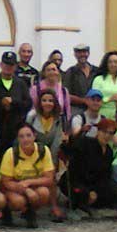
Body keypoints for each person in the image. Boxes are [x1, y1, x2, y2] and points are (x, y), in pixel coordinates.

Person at [0, 123, 54, 228]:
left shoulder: (43, 150)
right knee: (18, 201)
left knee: (44, 193)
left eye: (28, 135)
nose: (25, 139)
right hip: (13, 187)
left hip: (33, 185)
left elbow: (49, 178)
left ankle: (30, 212)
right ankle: (7, 210)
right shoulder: (11, 153)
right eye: (21, 136)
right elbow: (6, 182)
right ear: (18, 139)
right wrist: (26, 190)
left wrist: (29, 182)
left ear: (34, 136)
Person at [25, 89, 67, 222]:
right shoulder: (32, 116)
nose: (47, 103)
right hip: (32, 151)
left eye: (50, 101)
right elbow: (26, 134)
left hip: (50, 152)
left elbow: (57, 139)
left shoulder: (58, 118)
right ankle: (28, 208)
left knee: (51, 177)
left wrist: (52, 160)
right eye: (44, 100)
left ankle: (54, 207)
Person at [64, 117, 117, 218]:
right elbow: (70, 147)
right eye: (104, 132)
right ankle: (77, 205)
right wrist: (79, 133)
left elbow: (105, 175)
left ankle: (91, 205)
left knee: (114, 193)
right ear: (98, 131)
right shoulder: (86, 142)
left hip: (94, 183)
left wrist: (97, 190)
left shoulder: (109, 151)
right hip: (77, 181)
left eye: (111, 133)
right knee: (84, 193)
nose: (107, 136)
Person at [0, 52, 32, 158]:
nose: (8, 67)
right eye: (6, 64)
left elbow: (28, 104)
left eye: (11, 65)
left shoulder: (21, 83)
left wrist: (13, 102)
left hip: (16, 128)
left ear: (15, 66)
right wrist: (1, 104)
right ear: (1, 65)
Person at [91, 51, 117, 120]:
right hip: (102, 114)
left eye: (116, 62)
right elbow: (93, 99)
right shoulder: (98, 79)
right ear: (106, 64)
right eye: (110, 62)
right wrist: (109, 99)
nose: (113, 64)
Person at [29, 60, 71, 127]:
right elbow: (33, 109)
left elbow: (67, 111)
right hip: (39, 124)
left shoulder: (64, 91)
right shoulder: (35, 89)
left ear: (58, 72)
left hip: (58, 125)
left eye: (54, 69)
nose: (51, 72)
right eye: (48, 70)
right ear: (44, 73)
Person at [63, 44, 96, 115]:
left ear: (88, 53)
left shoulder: (96, 71)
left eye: (84, 52)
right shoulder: (71, 72)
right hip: (77, 109)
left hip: (94, 109)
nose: (82, 54)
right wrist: (84, 101)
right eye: (79, 52)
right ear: (75, 55)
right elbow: (66, 94)